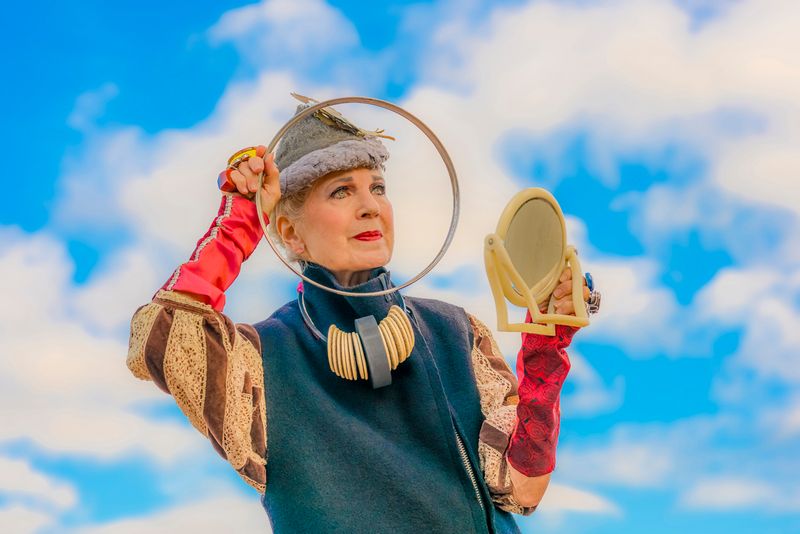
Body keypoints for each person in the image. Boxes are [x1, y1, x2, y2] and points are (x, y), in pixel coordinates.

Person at [126, 100, 593, 534]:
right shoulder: (261, 358)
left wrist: (546, 350)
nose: (370, 205)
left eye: (378, 188)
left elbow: (522, 487)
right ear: (290, 233)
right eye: (341, 191)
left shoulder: (456, 330)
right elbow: (166, 338)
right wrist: (241, 221)